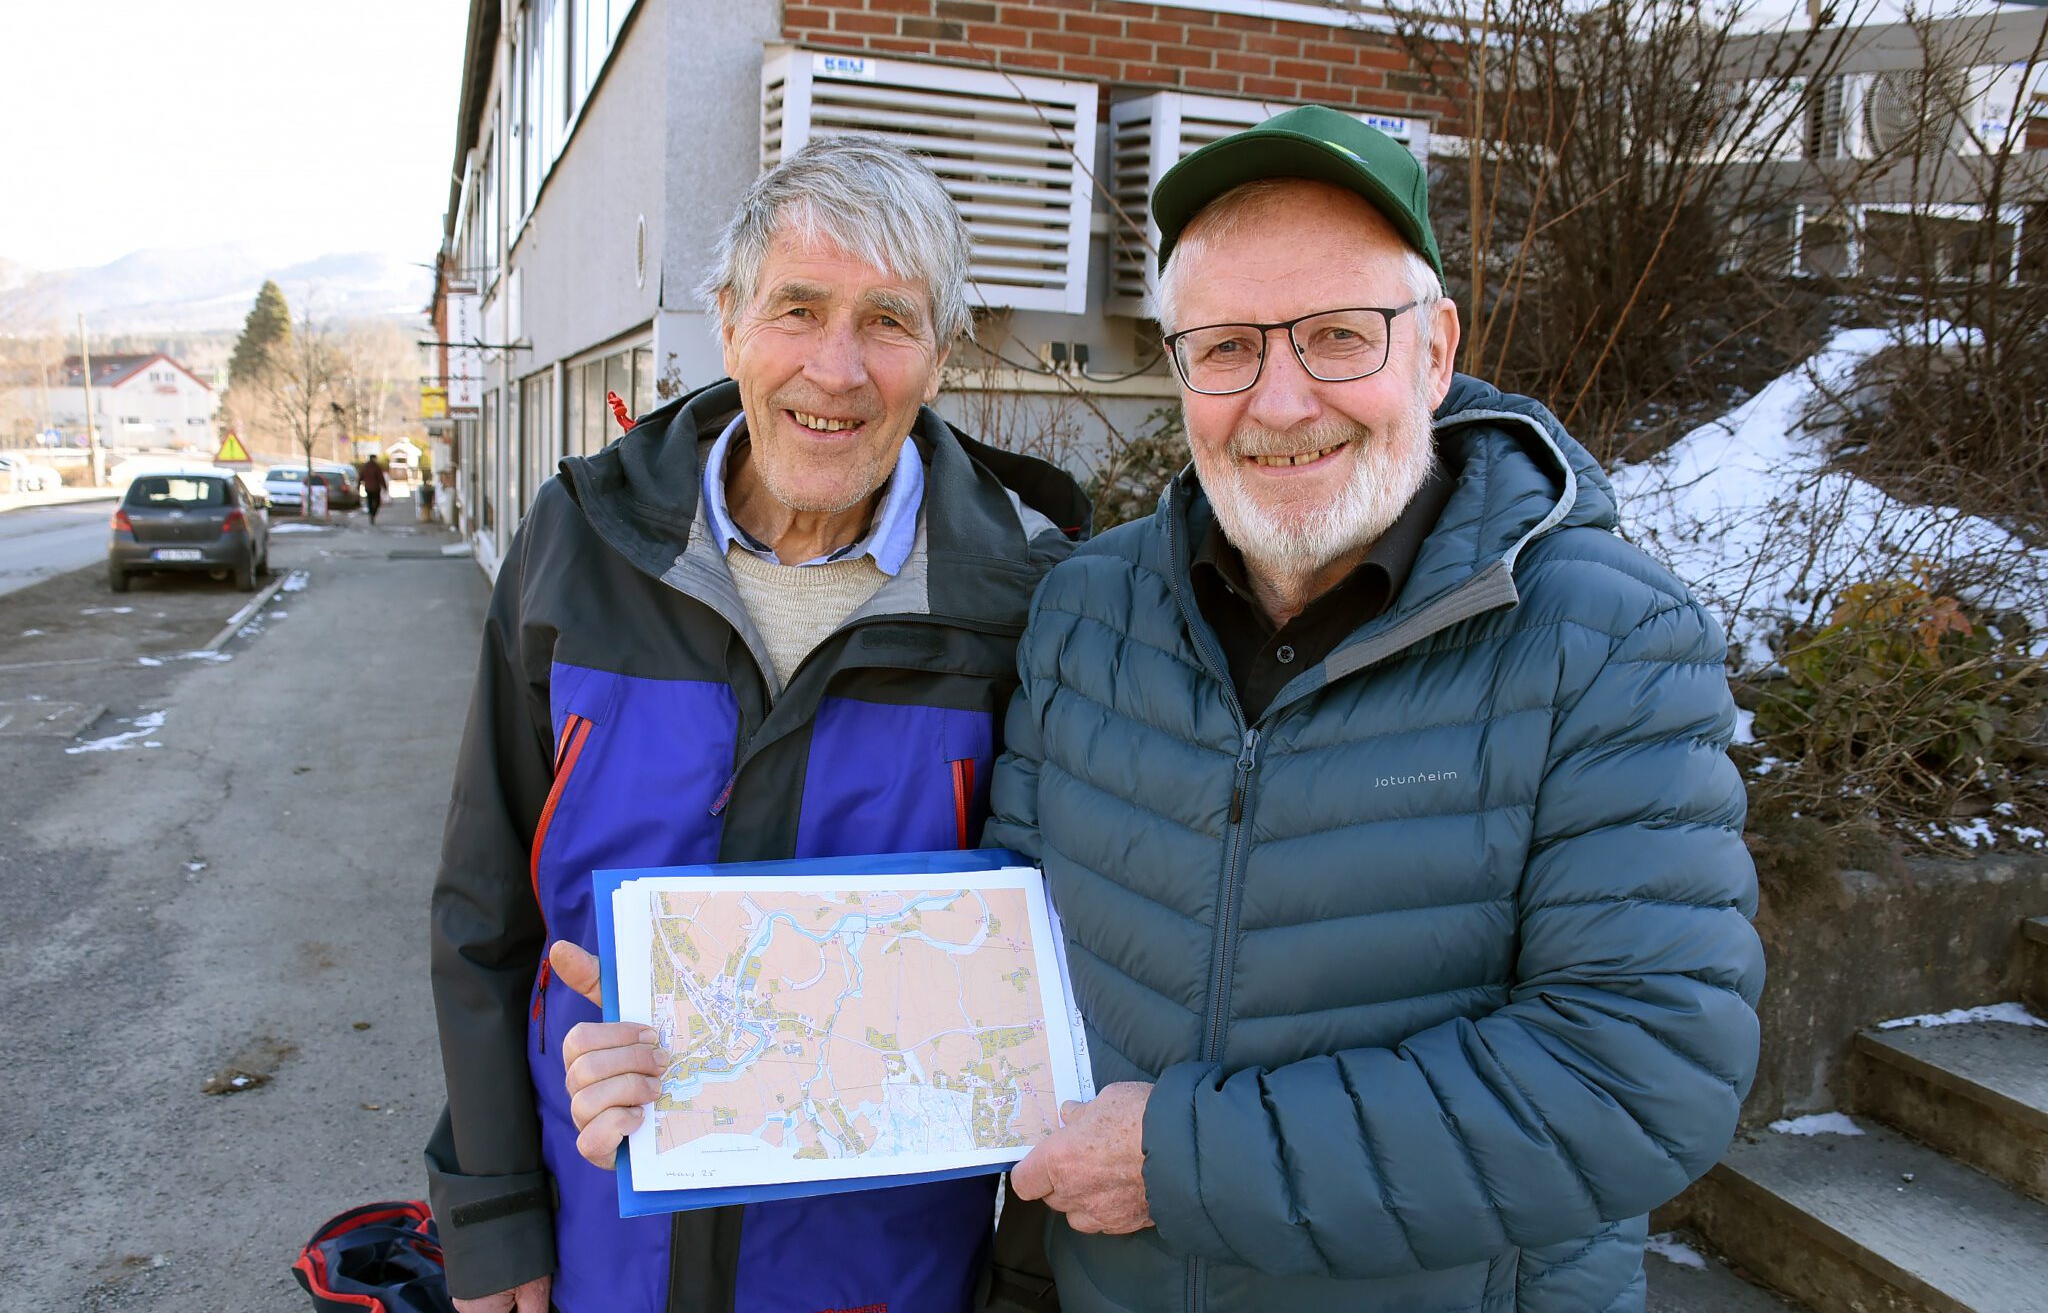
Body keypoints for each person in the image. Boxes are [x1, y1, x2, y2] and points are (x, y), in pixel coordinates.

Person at [984, 105, 1765, 1313]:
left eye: (1338, 337)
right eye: (1228, 346)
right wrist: (699, 1055)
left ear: (1436, 351)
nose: (1282, 403)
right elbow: (1001, 971)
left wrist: (1183, 1162)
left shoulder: (1603, 637)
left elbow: (1634, 1074)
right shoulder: (1088, 612)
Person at [426, 134, 1089, 1313]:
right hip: (595, 1243)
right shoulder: (580, 547)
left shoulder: (1025, 603)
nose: (834, 369)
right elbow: (485, 911)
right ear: (727, 323)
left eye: (887, 320)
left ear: (938, 354)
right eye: (796, 308)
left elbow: (1061, 991)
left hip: (878, 1272)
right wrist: (489, 1216)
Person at [358, 454, 388, 525]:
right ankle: (373, 514)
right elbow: (381, 478)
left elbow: (360, 477)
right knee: (376, 502)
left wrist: (358, 486)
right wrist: (384, 486)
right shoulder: (376, 467)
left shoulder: (365, 467)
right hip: (375, 488)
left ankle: (371, 514)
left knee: (370, 502)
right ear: (373, 458)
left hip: (368, 488)